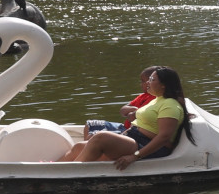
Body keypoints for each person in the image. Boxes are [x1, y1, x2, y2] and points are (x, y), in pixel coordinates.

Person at [59, 67, 193, 168]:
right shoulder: (158, 99)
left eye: (152, 80)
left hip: (147, 146)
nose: (147, 83)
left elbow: (164, 137)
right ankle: (51, 166)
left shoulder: (170, 105)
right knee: (79, 147)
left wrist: (134, 157)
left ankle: (69, 172)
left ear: (164, 84)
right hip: (134, 138)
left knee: (101, 137)